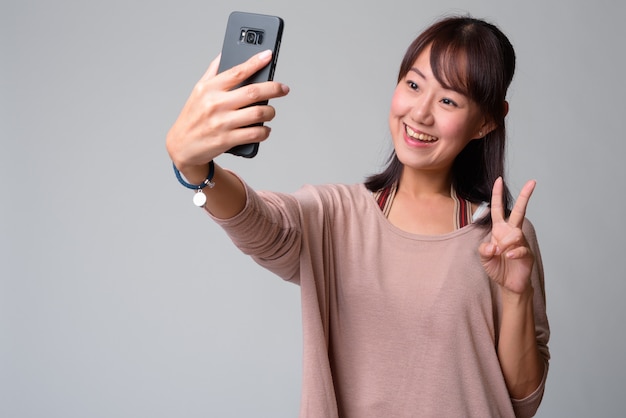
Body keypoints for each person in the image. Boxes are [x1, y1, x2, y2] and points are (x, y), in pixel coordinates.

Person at [166, 15, 550, 418]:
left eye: (449, 100)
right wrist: (196, 170)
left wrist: (516, 293)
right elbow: (259, 223)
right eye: (414, 85)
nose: (420, 113)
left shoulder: (503, 239)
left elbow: (522, 398)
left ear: (486, 121)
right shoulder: (334, 217)